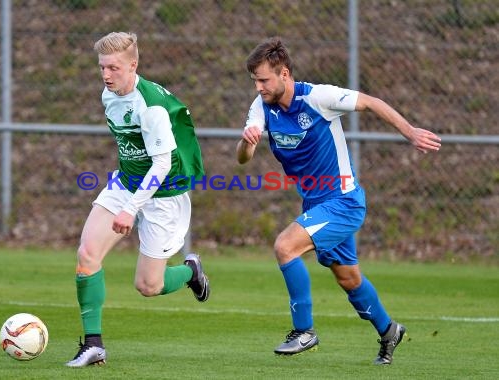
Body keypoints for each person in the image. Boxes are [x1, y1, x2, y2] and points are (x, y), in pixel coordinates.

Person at [236, 37, 441, 365]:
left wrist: (409, 132)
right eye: (255, 81)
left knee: (285, 246)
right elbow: (244, 158)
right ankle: (389, 330)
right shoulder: (261, 107)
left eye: (263, 79)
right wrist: (248, 144)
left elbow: (371, 102)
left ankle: (304, 331)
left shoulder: (318, 97)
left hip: (343, 202)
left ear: (284, 73)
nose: (258, 87)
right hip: (316, 206)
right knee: (349, 279)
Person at [66, 31, 210, 368]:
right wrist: (125, 196)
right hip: (126, 182)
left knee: (148, 285)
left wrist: (131, 210)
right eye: (102, 67)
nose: (105, 75)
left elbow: (161, 164)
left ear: (133, 65)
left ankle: (190, 272)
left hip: (163, 194)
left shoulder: (152, 107)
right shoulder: (109, 94)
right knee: (87, 254)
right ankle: (93, 345)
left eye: (113, 68)